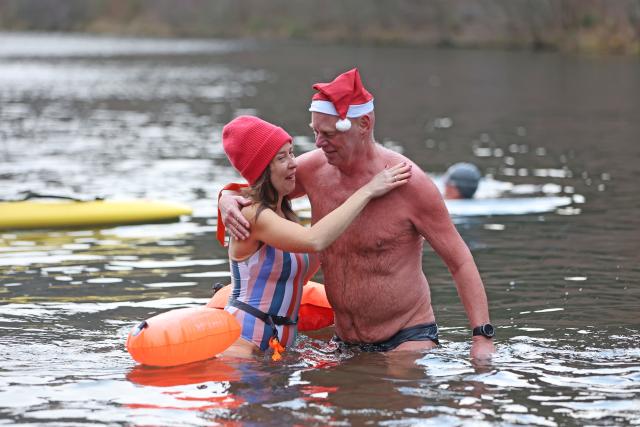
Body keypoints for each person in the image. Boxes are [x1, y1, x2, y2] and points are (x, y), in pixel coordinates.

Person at [219, 69, 495, 358]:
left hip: (406, 335)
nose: (317, 143)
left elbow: (460, 261)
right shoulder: (313, 170)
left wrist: (482, 336)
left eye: (327, 134)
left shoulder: (409, 184)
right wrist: (226, 197)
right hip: (343, 341)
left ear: (363, 124)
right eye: (315, 132)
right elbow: (261, 183)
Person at [218, 115, 411, 359]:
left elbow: (300, 275)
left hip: (278, 349)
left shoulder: (285, 216)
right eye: (281, 158)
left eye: (291, 153)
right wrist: (369, 190)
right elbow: (315, 240)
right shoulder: (253, 214)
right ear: (262, 170)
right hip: (243, 345)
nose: (293, 164)